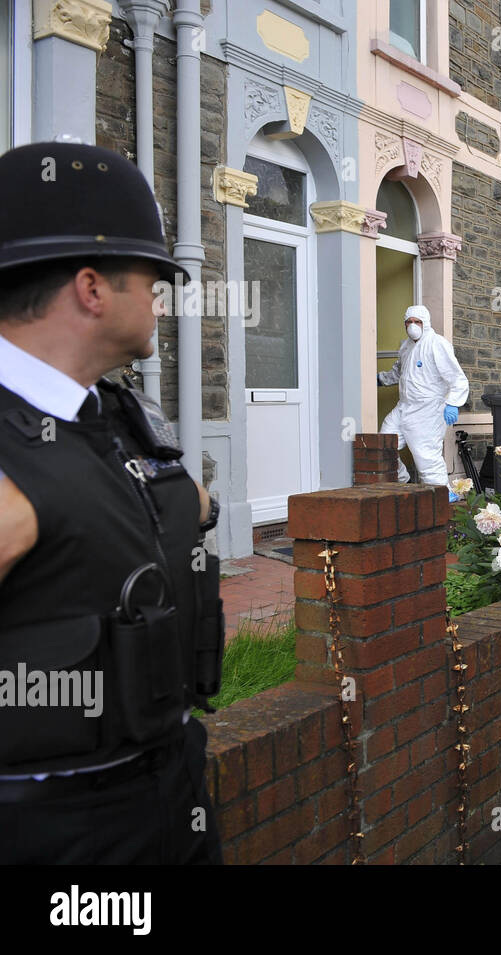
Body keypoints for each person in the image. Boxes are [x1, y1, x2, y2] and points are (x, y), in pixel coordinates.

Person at [0, 142, 224, 862]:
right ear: (92, 289)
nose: (160, 297)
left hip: (169, 790)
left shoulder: (116, 413)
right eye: (152, 279)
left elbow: (181, 507)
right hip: (62, 832)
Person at [378, 305, 469, 488]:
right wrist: (381, 379)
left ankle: (442, 497)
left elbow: (457, 377)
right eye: (409, 322)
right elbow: (400, 372)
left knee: (426, 458)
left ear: (425, 323)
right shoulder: (406, 346)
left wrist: (453, 403)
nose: (413, 326)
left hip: (428, 410)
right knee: (383, 445)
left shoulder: (437, 344)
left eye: (417, 322)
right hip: (404, 406)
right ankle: (405, 482)